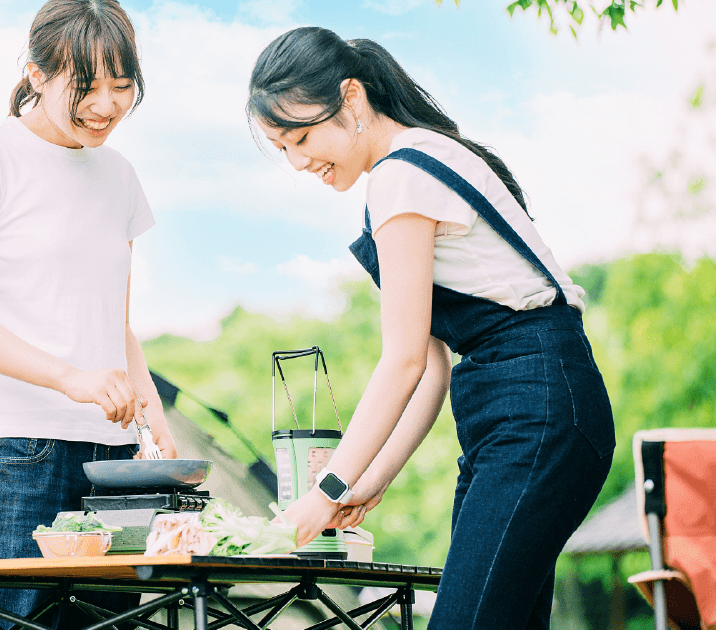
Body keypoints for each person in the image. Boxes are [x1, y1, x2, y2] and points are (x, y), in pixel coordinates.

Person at [246, 27, 615, 629]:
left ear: (354, 99)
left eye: (304, 136)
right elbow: (432, 366)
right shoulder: (416, 164)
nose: (299, 160)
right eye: (282, 147)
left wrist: (327, 490)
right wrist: (369, 480)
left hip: (536, 406)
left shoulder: (401, 175)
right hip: (522, 410)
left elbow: (403, 362)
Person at [0, 1, 176, 628]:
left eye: (122, 87)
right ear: (36, 74)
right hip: (14, 451)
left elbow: (113, 324)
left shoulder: (119, 176)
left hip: (113, 458)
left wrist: (151, 411)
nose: (106, 105)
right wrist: (72, 379)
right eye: (85, 86)